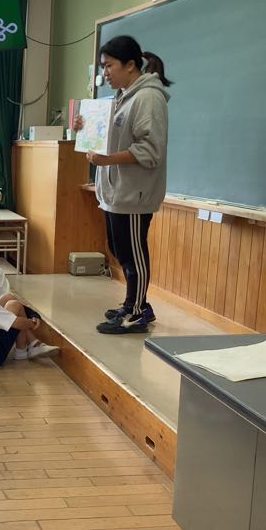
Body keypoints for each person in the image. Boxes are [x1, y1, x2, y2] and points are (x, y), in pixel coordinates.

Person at [74, 35, 171, 334]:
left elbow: (150, 151)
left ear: (130, 65)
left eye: (109, 66)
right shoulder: (122, 96)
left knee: (133, 254)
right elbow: (111, 138)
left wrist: (108, 159)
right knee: (119, 249)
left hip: (133, 193)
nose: (104, 73)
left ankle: (137, 312)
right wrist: (83, 128)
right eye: (103, 66)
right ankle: (134, 304)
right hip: (115, 191)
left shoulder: (148, 97)